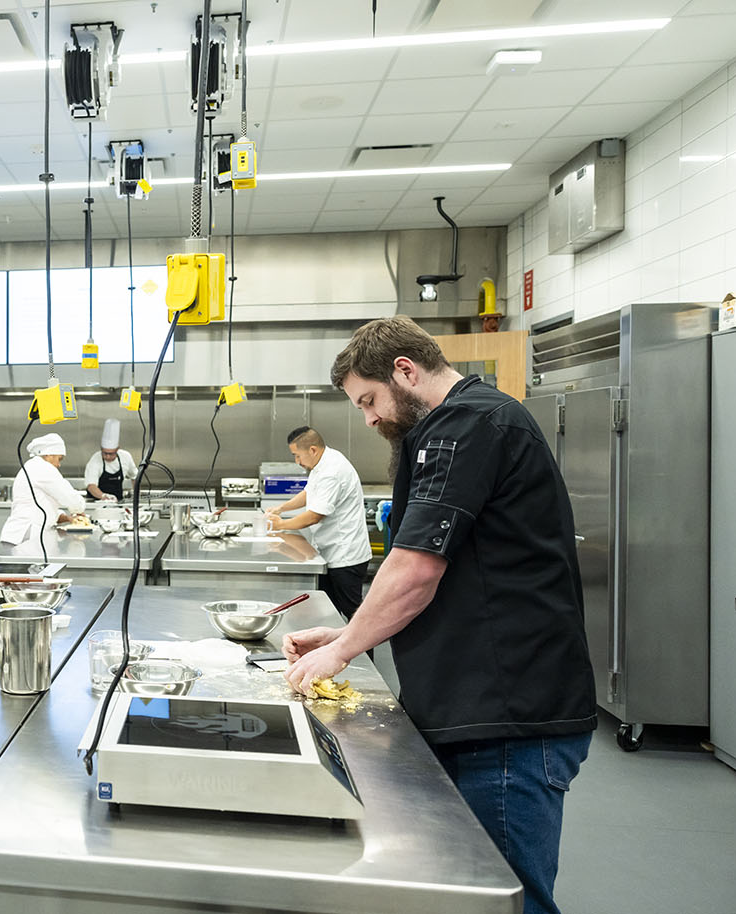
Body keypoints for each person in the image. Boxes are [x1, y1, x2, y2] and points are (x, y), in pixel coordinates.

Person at [282, 315, 595, 914]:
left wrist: (341, 650)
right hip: (480, 703)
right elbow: (445, 568)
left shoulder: (469, 423)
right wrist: (350, 629)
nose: (369, 418)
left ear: (405, 370)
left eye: (369, 400)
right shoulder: (460, 425)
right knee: (464, 892)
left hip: (507, 715)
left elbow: (417, 569)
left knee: (501, 899)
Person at [264, 426, 373, 620]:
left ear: (313, 450)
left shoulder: (331, 471)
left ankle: (363, 652)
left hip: (345, 556)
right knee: (328, 615)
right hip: (329, 552)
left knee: (353, 618)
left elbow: (314, 516)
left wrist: (280, 525)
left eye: (297, 456)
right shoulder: (322, 462)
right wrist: (282, 508)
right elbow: (309, 493)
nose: (297, 462)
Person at [0, 433, 86, 545]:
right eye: (60, 459)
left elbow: (43, 506)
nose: (59, 464)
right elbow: (69, 497)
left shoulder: (33, 466)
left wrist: (68, 518)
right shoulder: (43, 468)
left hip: (20, 534)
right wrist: (79, 509)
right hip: (27, 535)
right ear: (49, 454)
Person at [83, 418, 139, 501]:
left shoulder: (125, 457)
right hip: (97, 503)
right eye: (104, 453)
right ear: (101, 449)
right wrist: (104, 496)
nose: (107, 457)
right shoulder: (95, 460)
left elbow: (135, 477)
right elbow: (91, 486)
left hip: (118, 502)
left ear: (117, 449)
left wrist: (136, 496)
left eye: (111, 454)